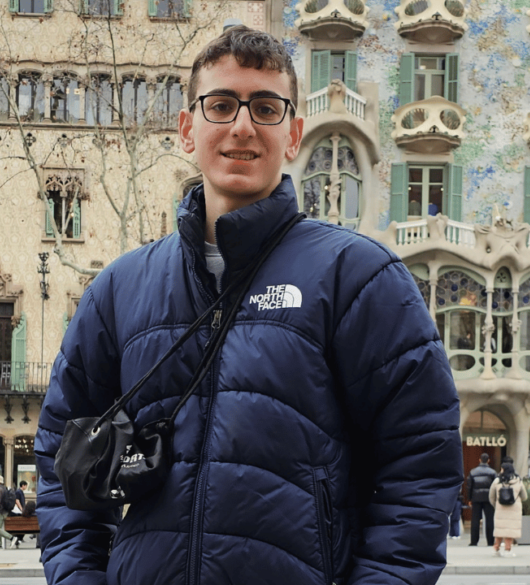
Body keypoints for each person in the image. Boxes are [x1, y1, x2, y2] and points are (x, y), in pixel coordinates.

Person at [34, 25, 463, 585]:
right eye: (221, 105)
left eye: (265, 107)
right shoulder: (120, 287)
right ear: (188, 128)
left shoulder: (359, 278)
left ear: (294, 133)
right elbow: (60, 456)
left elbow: (420, 465)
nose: (242, 126)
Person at [488, 463, 526, 557]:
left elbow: (491, 496)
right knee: (510, 530)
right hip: (514, 509)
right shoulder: (518, 481)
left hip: (500, 508)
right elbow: (524, 496)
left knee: (500, 529)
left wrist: (496, 505)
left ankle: (495, 549)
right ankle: (508, 550)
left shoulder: (497, 480)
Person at [467, 453, 497, 547]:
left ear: (479, 460)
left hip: (476, 498)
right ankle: (490, 541)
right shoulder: (492, 472)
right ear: (488, 460)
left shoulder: (473, 472)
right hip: (489, 498)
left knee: (475, 520)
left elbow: (469, 486)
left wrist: (469, 498)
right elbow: (495, 486)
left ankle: (474, 541)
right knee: (490, 520)